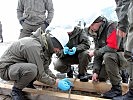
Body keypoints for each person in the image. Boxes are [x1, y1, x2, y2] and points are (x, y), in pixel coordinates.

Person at [0, 27, 73, 100]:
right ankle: (16, 90)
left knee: (34, 68)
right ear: (55, 43)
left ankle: (28, 83)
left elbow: (44, 69)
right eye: (59, 48)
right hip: (5, 69)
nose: (59, 51)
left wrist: (57, 79)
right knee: (32, 69)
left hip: (17, 67)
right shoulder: (34, 47)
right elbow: (40, 74)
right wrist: (56, 83)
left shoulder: (44, 47)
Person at [84, 15, 128, 99]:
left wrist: (95, 52)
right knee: (100, 76)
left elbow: (112, 47)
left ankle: (117, 88)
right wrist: (95, 71)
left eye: (92, 25)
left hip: (123, 57)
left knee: (108, 55)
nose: (91, 27)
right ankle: (117, 74)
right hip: (113, 59)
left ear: (99, 22)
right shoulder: (96, 32)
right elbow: (98, 54)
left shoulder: (112, 26)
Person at [113, 0, 133, 100]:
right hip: (128, 21)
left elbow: (125, 2)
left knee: (129, 55)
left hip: (129, 22)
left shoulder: (109, 27)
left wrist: (122, 24)